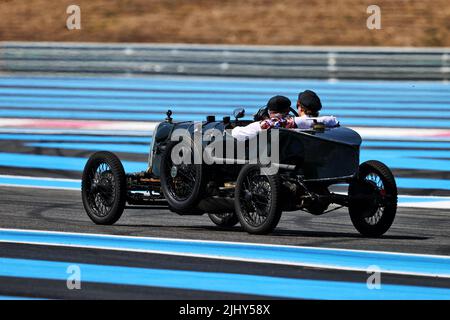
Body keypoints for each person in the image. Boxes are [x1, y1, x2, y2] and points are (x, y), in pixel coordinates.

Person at [231, 93, 338, 141]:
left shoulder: (267, 124)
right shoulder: (327, 122)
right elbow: (332, 120)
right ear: (288, 110)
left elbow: (237, 134)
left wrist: (234, 128)